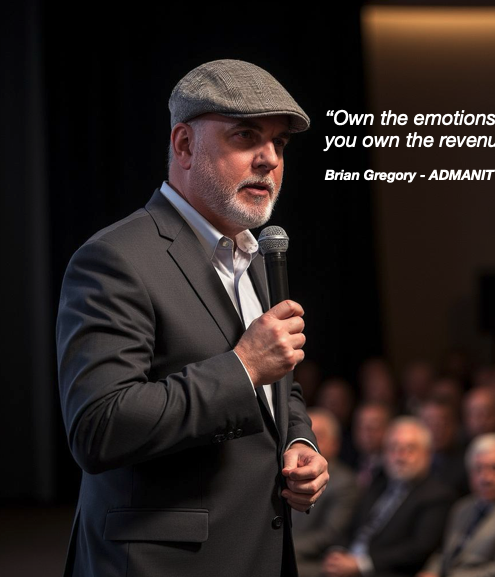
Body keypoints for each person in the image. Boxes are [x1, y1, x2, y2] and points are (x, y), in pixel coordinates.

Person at [56, 59, 329, 577]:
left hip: (259, 553)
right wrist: (242, 367)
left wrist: (299, 441)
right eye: (246, 136)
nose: (270, 158)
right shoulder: (115, 258)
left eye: (279, 143)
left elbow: (278, 383)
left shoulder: (253, 257)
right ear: (184, 145)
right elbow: (98, 428)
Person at [322, 417, 454, 577]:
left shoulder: (437, 496)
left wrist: (362, 564)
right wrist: (338, 551)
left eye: (410, 449)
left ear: (427, 454)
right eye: (393, 448)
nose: (400, 456)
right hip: (346, 565)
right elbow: (351, 526)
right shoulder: (378, 484)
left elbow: (419, 549)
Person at [419, 433, 495, 577]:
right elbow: (445, 553)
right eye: (478, 469)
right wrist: (430, 571)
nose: (485, 478)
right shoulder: (462, 507)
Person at [292, 409, 359, 577]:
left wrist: (287, 545)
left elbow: (331, 534)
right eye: (307, 434)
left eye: (318, 436)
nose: (310, 442)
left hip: (316, 560)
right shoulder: (290, 471)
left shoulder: (345, 482)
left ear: (335, 444)